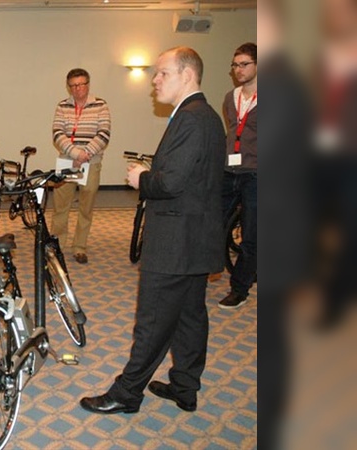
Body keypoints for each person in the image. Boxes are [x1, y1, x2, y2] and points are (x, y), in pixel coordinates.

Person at [80, 47, 225, 415]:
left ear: (187, 75)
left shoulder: (191, 118)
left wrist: (141, 178)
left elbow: (172, 182)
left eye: (162, 73)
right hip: (195, 237)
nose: (154, 80)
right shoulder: (204, 116)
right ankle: (185, 387)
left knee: (153, 321)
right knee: (190, 317)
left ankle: (126, 394)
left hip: (175, 242)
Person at [51, 68, 111, 264]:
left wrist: (85, 155)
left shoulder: (100, 105)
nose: (78, 89)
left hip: (91, 163)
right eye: (74, 85)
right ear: (69, 87)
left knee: (86, 208)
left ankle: (79, 247)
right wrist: (76, 154)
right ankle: (57, 245)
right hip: (67, 162)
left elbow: (104, 133)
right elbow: (58, 133)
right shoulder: (62, 106)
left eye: (82, 84)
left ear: (88, 85)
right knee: (61, 207)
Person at [218, 43, 258, 309]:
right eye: (235, 65)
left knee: (252, 234)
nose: (237, 70)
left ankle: (240, 288)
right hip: (228, 171)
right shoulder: (230, 98)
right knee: (212, 225)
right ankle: (206, 271)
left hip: (257, 174)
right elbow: (233, 132)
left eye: (244, 64)